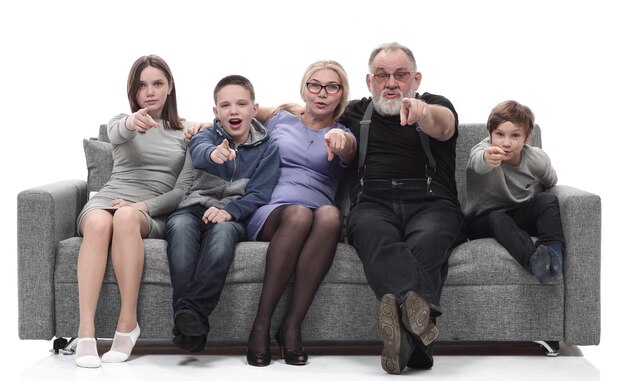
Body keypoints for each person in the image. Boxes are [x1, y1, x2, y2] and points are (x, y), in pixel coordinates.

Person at [339, 42, 464, 374]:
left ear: (416, 79)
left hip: (431, 202)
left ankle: (406, 341)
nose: (391, 82)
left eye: (400, 74)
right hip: (373, 202)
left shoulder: (435, 105)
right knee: (371, 233)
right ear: (370, 82)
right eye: (382, 75)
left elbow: (445, 124)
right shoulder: (355, 111)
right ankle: (418, 345)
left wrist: (423, 113)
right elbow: (305, 109)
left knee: (427, 240)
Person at [74, 55, 194, 368]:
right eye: (142, 86)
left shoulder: (189, 132)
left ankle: (127, 323)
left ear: (170, 87)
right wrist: (131, 122)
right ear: (134, 92)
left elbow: (181, 191)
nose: (150, 91)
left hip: (146, 212)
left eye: (157, 83)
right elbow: (117, 133)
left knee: (125, 217)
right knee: (100, 224)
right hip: (108, 200)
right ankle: (85, 331)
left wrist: (141, 206)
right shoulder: (120, 121)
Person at [245, 60, 356, 367]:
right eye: (315, 85)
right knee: (299, 215)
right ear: (304, 89)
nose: (322, 93)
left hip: (317, 212)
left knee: (331, 215)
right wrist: (199, 127)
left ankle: (292, 326)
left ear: (341, 94)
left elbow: (348, 149)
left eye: (331, 87)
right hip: (273, 210)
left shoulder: (343, 132)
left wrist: (341, 142)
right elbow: (239, 108)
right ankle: (261, 324)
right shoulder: (281, 117)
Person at [165, 74, 280, 353]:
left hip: (232, 215)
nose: (234, 110)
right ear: (216, 112)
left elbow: (259, 194)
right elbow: (201, 150)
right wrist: (214, 154)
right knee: (179, 232)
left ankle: (190, 316)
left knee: (223, 237)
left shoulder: (268, 147)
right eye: (226, 105)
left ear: (254, 109)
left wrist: (229, 211)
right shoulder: (206, 135)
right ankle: (191, 321)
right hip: (193, 208)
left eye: (242, 104)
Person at [464, 100, 564, 284]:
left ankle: (553, 253)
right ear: (490, 134)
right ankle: (534, 262)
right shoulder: (482, 150)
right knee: (498, 218)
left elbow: (551, 182)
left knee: (547, 200)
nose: (506, 143)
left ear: (526, 138)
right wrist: (487, 158)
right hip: (482, 221)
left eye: (515, 136)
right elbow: (477, 162)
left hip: (518, 213)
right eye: (500, 135)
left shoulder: (535, 158)